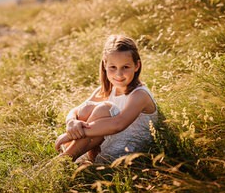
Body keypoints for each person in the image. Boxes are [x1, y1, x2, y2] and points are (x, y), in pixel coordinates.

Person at [54, 35, 158, 164]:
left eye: (125, 67)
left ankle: (64, 160)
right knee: (87, 108)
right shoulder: (108, 89)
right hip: (105, 145)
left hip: (127, 151)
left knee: (104, 109)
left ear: (136, 66)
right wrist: (71, 122)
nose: (119, 74)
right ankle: (75, 158)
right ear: (105, 65)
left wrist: (72, 135)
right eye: (113, 67)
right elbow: (77, 110)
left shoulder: (139, 95)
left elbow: (117, 125)